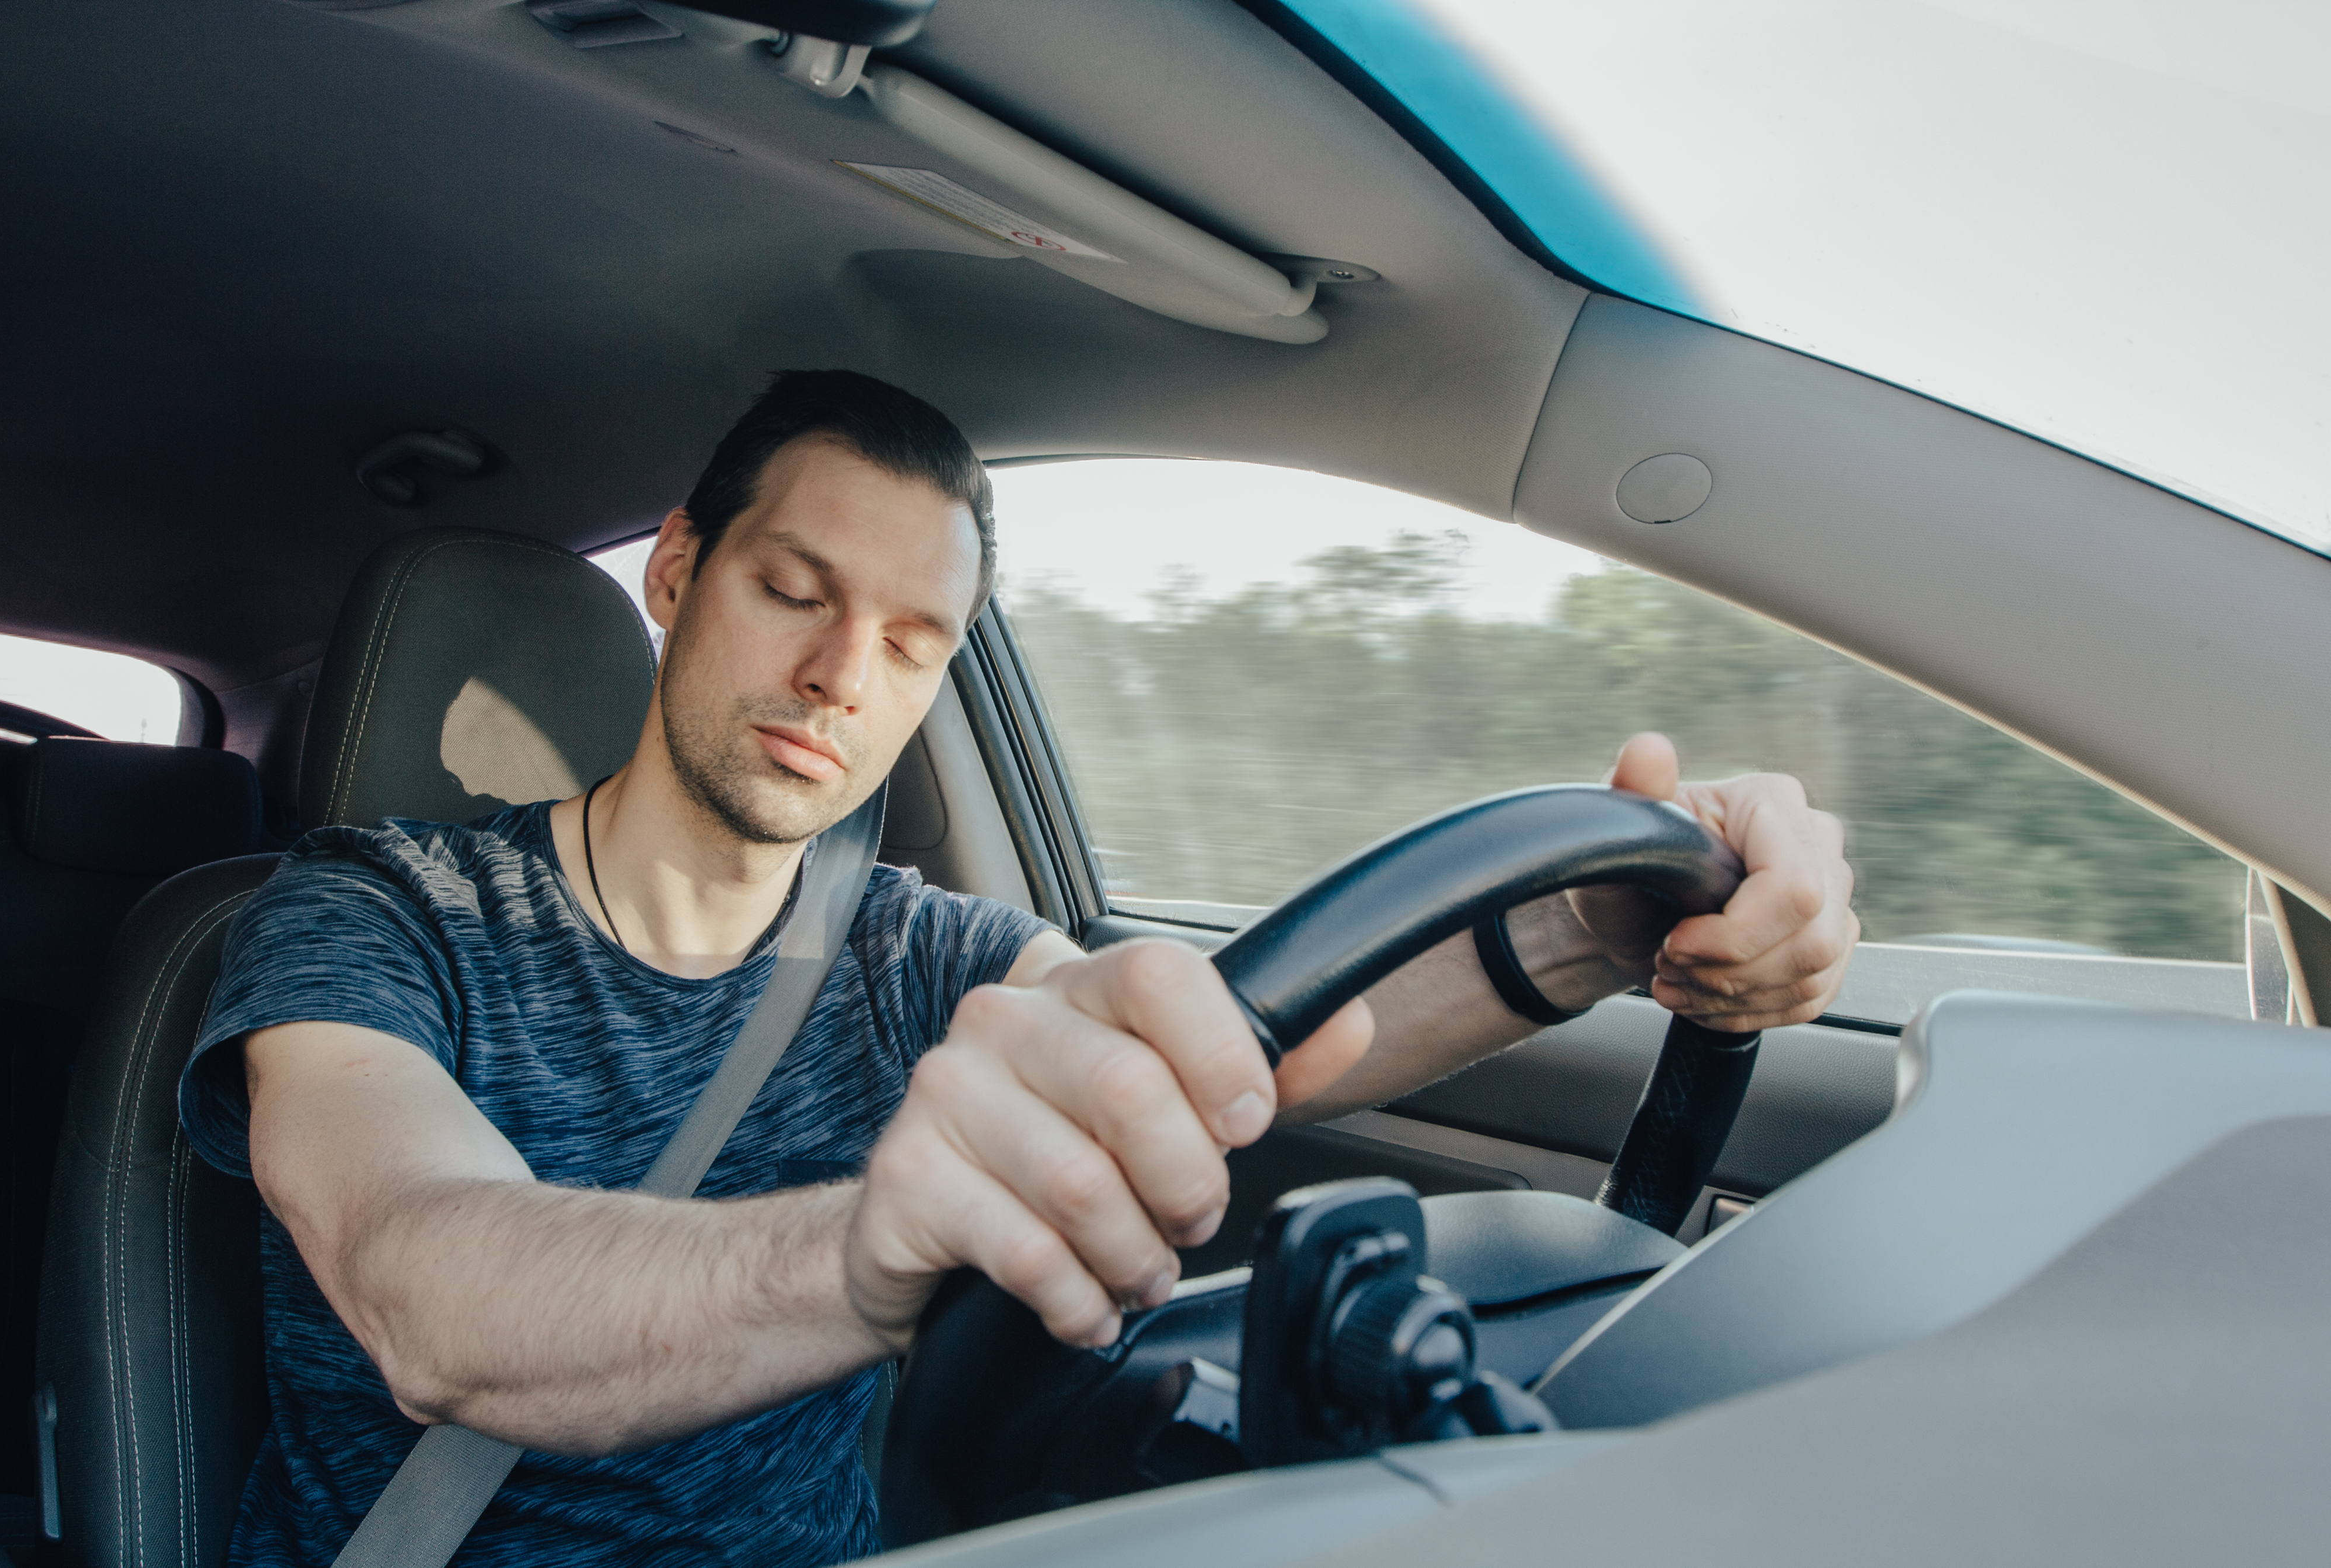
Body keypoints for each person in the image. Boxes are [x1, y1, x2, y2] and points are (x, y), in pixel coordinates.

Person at [177, 370, 1858, 1566]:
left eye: (911, 641)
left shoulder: (915, 948)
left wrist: (1586, 930)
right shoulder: (371, 912)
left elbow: (1236, 1042)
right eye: (794, 590)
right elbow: (430, 1290)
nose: (843, 671)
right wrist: (871, 1248)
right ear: (680, 570)